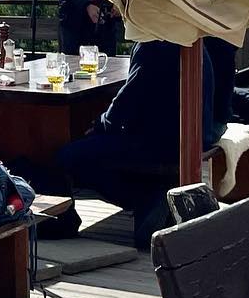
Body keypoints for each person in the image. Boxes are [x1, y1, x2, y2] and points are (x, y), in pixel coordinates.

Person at [57, 39, 216, 249]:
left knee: (67, 157)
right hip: (191, 136)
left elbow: (127, 101)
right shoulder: (190, 39)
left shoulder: (152, 43)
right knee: (97, 148)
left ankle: (146, 196)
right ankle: (151, 193)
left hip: (159, 144)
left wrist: (99, 125)